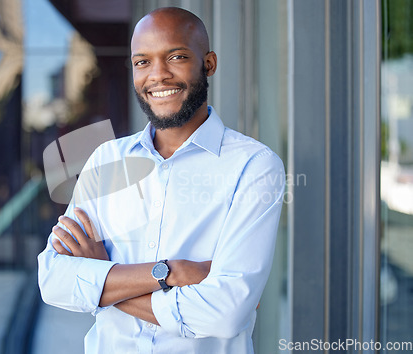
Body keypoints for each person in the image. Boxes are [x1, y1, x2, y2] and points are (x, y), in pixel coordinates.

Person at [38, 6, 285, 353]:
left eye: (176, 56)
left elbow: (225, 313)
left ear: (209, 63)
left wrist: (101, 278)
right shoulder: (108, 160)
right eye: (142, 62)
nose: (158, 75)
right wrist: (169, 272)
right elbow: (53, 280)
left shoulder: (254, 166)